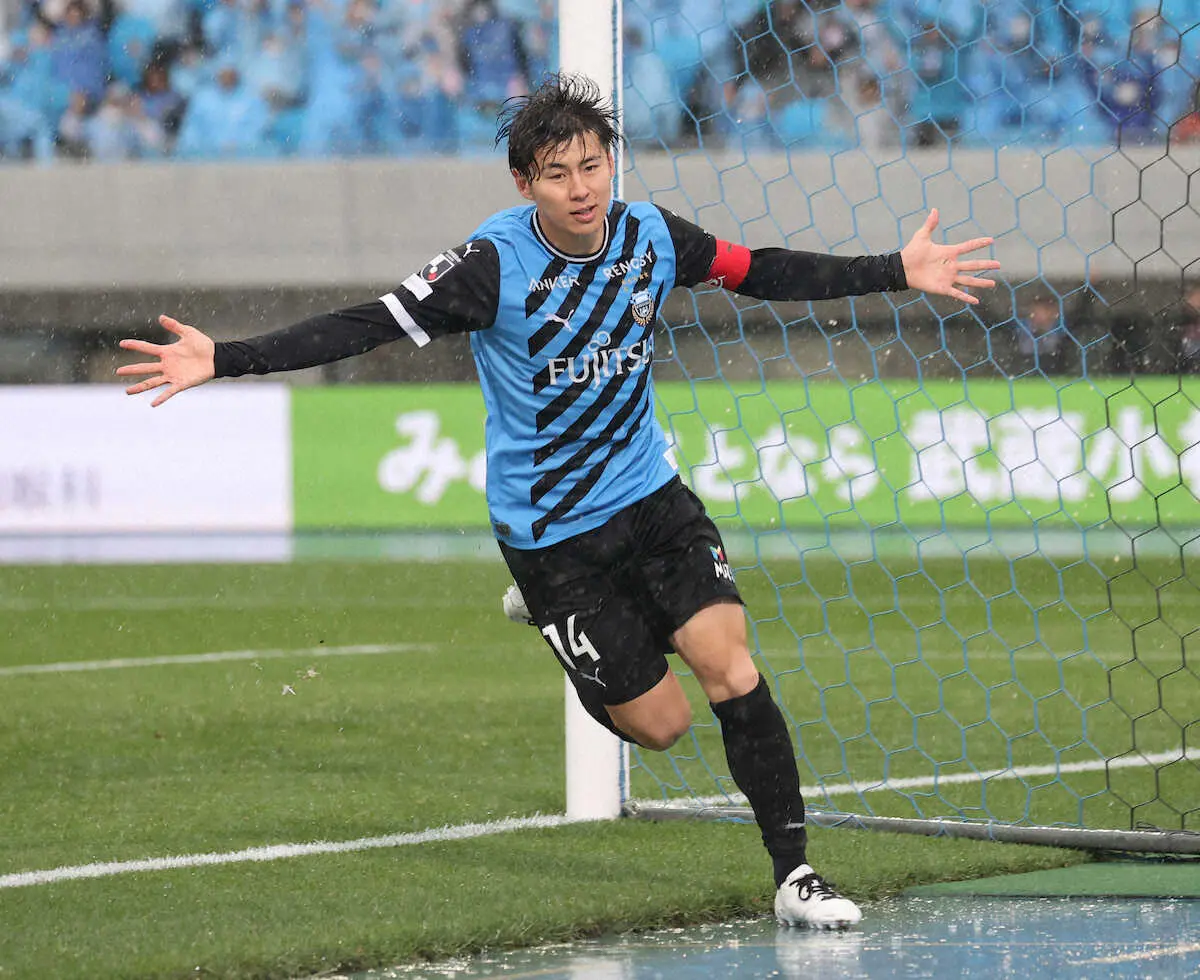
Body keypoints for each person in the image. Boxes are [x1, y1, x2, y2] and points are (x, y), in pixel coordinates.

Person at [117, 74, 999, 930]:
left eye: (592, 166)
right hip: (553, 536)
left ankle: (795, 875)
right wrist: (226, 358)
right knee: (662, 726)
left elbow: (759, 270)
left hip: (651, 500)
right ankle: (555, 621)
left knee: (731, 668)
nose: (580, 190)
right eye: (556, 174)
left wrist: (895, 268)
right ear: (523, 183)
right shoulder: (491, 266)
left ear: (612, 163)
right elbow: (367, 323)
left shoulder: (653, 236)